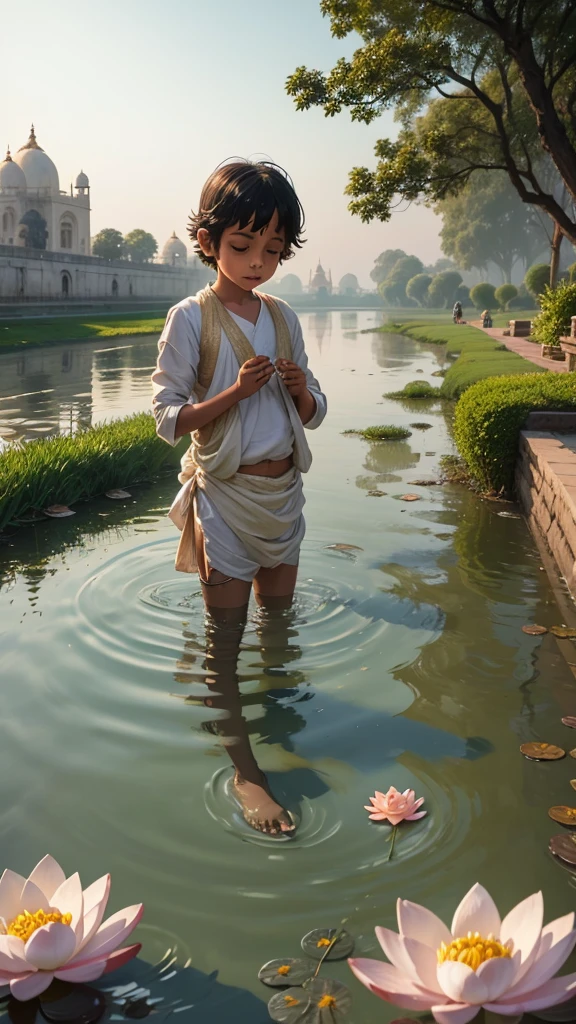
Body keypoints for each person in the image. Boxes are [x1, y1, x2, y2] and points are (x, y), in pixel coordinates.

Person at [151, 160, 326, 836]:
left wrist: (299, 387)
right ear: (207, 240)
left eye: (273, 250)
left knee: (275, 624)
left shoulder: (283, 319)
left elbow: (311, 412)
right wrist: (233, 394)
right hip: (226, 500)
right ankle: (246, 772)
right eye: (242, 246)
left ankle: (278, 715)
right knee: (226, 642)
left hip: (284, 494)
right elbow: (167, 418)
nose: (258, 263)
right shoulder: (190, 319)